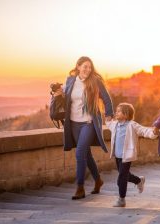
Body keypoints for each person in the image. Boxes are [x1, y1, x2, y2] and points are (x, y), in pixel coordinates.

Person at [53, 56, 113, 200]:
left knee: (80, 153)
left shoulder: (95, 81)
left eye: (89, 67)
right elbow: (67, 100)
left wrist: (109, 114)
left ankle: (80, 187)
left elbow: (106, 98)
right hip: (73, 123)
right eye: (84, 66)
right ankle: (98, 180)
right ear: (78, 67)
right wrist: (58, 94)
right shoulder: (70, 80)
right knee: (86, 154)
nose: (87, 69)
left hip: (88, 123)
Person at [105, 103, 157, 207]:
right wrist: (107, 116)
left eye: (119, 111)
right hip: (117, 155)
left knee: (121, 178)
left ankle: (121, 199)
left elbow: (143, 130)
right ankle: (139, 180)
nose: (116, 113)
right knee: (125, 175)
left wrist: (154, 132)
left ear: (126, 114)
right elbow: (108, 123)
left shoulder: (132, 125)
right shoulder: (115, 124)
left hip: (127, 156)